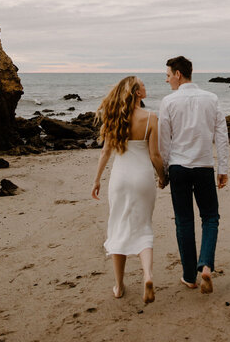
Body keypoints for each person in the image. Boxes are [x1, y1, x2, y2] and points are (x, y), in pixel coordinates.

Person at [91, 76, 166, 303]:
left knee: (118, 228)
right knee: (144, 227)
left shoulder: (113, 117)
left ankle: (119, 285)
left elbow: (105, 153)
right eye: (142, 84)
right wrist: (163, 177)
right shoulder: (151, 117)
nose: (145, 85)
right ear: (137, 93)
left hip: (120, 179)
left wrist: (96, 180)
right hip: (143, 178)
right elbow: (155, 156)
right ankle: (148, 276)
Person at [158, 56, 229, 294]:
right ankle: (206, 266)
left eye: (168, 75)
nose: (166, 79)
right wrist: (223, 169)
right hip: (204, 167)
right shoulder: (211, 98)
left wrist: (165, 171)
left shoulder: (168, 102)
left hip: (178, 167)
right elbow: (221, 136)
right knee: (210, 218)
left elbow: (164, 142)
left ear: (178, 74)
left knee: (184, 221)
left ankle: (190, 276)